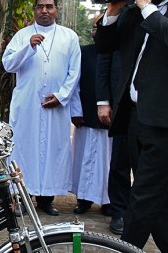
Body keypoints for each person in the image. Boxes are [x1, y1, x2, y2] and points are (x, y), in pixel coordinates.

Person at [95, 0, 168, 252]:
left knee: (143, 198)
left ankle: (124, 248)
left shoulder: (151, 6)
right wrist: (114, 8)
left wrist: (147, 6)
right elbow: (107, 45)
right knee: (155, 198)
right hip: (135, 115)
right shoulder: (148, 2)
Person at [2, 0, 81, 216]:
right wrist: (28, 47)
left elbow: (74, 72)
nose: (44, 11)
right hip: (27, 105)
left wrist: (62, 95)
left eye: (49, 6)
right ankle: (21, 198)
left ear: (56, 9)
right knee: (24, 149)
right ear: (35, 10)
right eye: (40, 7)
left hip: (56, 105)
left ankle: (46, 199)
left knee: (54, 150)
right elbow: (8, 64)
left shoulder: (70, 37)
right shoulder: (22, 35)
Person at [69, 21, 111, 216]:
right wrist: (76, 111)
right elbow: (74, 82)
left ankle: (109, 201)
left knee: (109, 161)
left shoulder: (119, 51)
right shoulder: (84, 52)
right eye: (95, 28)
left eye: (102, 28)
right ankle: (83, 198)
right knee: (83, 158)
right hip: (86, 113)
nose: (98, 32)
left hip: (111, 118)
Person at [96, 42, 129, 235]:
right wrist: (103, 101)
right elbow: (104, 61)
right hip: (122, 105)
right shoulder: (123, 18)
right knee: (119, 163)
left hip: (156, 103)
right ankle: (119, 212)